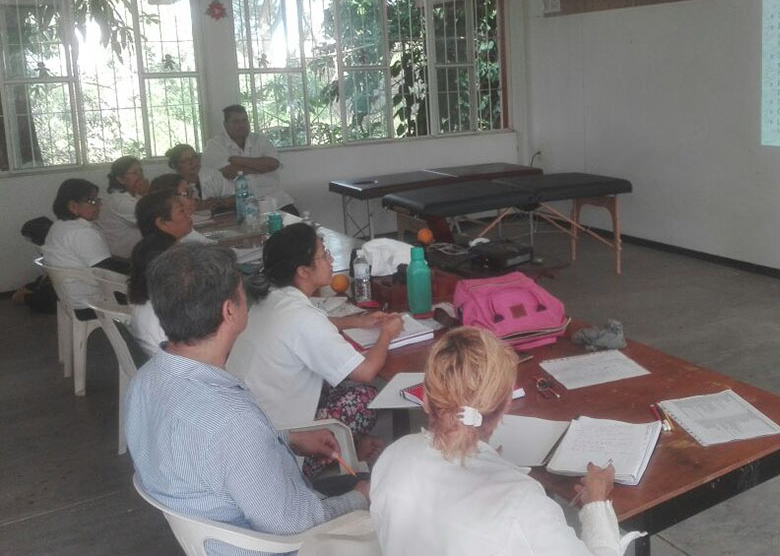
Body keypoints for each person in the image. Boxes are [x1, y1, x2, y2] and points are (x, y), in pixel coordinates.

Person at [125, 244, 368, 556]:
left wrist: (287, 438)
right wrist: (362, 497)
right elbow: (294, 525)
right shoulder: (230, 418)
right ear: (229, 310)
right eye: (243, 295)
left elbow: (209, 456)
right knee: (391, 493)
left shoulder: (145, 380)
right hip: (281, 545)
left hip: (213, 534)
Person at [370, 326, 638, 555]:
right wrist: (596, 504)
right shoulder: (524, 503)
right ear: (507, 403)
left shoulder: (394, 457)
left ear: (426, 399)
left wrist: (488, 460)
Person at [227, 223, 403, 475]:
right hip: (279, 449)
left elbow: (304, 329)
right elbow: (365, 371)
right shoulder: (304, 318)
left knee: (333, 382)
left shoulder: (271, 299)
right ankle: (327, 457)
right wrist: (387, 334)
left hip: (249, 429)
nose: (331, 260)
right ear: (303, 271)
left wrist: (356, 321)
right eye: (324, 255)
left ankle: (349, 446)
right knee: (365, 396)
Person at [127, 189, 212, 356]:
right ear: (162, 223)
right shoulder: (165, 257)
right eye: (181, 211)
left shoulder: (147, 251)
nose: (188, 214)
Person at [41, 178, 127, 320]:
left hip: (70, 300)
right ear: (73, 206)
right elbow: (107, 271)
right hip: (92, 304)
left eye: (98, 200)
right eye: (92, 201)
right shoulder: (82, 233)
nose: (98, 205)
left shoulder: (59, 226)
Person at [202, 105, 297, 214]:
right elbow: (230, 172)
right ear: (225, 124)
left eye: (244, 120)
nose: (242, 125)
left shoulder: (260, 140)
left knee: (299, 226)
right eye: (236, 122)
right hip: (238, 207)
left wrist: (237, 160)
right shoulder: (215, 145)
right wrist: (260, 167)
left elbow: (273, 164)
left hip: (276, 201)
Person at [95, 155, 150, 259]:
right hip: (123, 259)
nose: (140, 176)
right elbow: (154, 219)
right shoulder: (119, 201)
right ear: (120, 179)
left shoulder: (133, 195)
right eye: (134, 173)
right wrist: (148, 194)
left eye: (141, 171)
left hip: (135, 253)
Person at [165, 143, 235, 212]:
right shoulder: (168, 182)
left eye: (194, 157)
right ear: (175, 165)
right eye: (185, 160)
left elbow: (235, 195)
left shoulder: (212, 175)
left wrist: (222, 202)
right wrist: (200, 205)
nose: (192, 162)